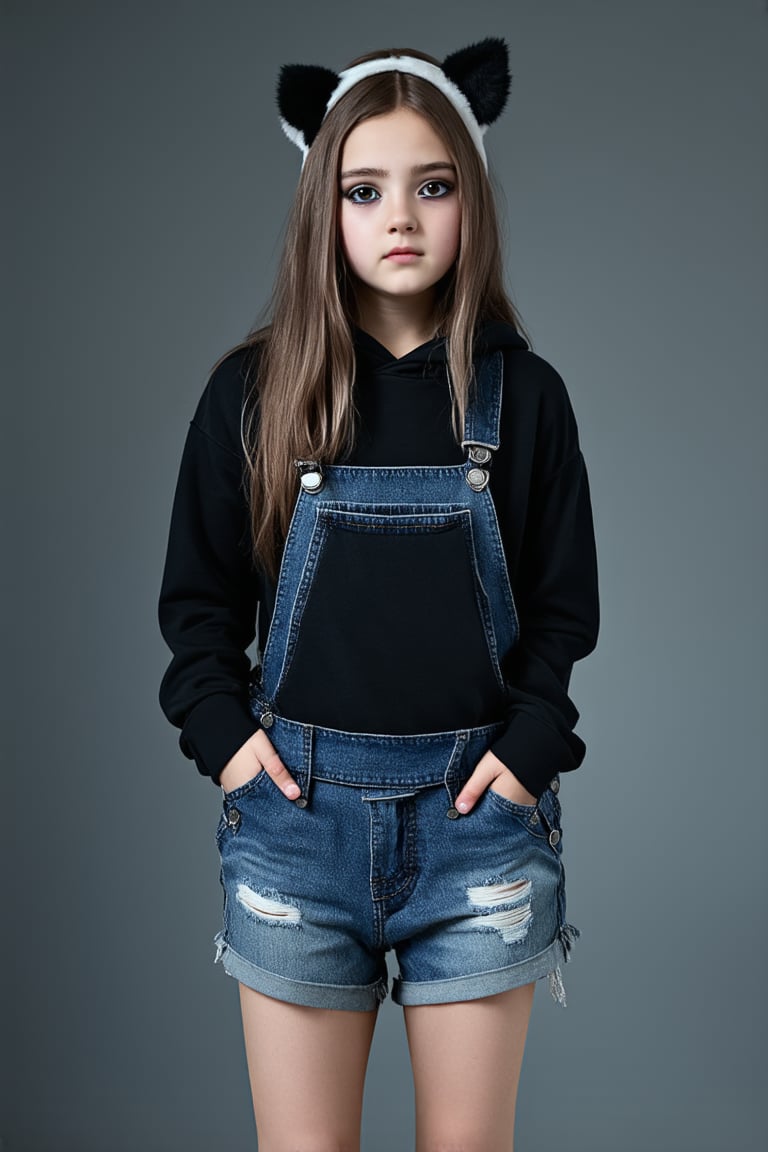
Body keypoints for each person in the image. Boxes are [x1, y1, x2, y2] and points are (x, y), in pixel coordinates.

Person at [159, 38, 599, 1152]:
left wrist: (531, 747)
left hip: (477, 832)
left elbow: (562, 608)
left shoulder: (525, 400)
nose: (399, 216)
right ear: (325, 207)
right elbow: (199, 605)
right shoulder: (253, 395)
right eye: (365, 190)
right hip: (295, 826)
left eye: (432, 186)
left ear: (471, 200)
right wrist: (225, 738)